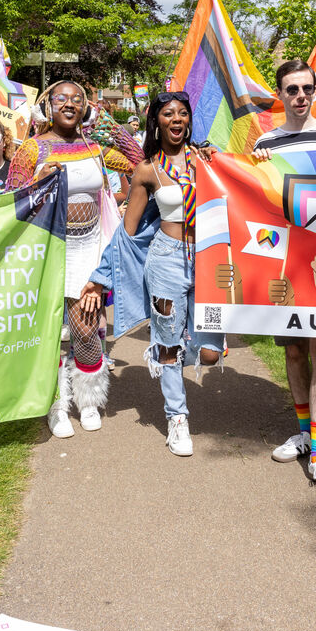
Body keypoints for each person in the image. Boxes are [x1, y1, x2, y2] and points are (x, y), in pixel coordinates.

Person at [80, 91, 223, 455]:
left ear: (189, 120)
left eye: (183, 113)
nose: (176, 119)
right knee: (169, 341)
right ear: (156, 122)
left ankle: (168, 351)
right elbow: (126, 236)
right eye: (168, 114)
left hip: (208, 260)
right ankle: (177, 419)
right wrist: (100, 278)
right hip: (166, 260)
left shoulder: (208, 160)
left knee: (209, 352)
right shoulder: (148, 170)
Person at [7, 80, 143, 438]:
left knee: (85, 328)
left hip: (89, 252)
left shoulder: (93, 147)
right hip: (48, 252)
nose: (69, 104)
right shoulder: (32, 149)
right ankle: (56, 405)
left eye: (77, 100)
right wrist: (36, 180)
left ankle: (88, 400)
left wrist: (109, 125)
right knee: (49, 334)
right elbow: (10, 200)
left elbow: (139, 163)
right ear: (47, 105)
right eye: (61, 99)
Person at [244, 59, 316, 492]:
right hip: (287, 262)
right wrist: (254, 165)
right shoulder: (267, 141)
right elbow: (254, 197)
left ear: (315, 90)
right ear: (281, 94)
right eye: (292, 90)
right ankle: (306, 433)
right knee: (294, 354)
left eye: (307, 88)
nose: (301, 96)